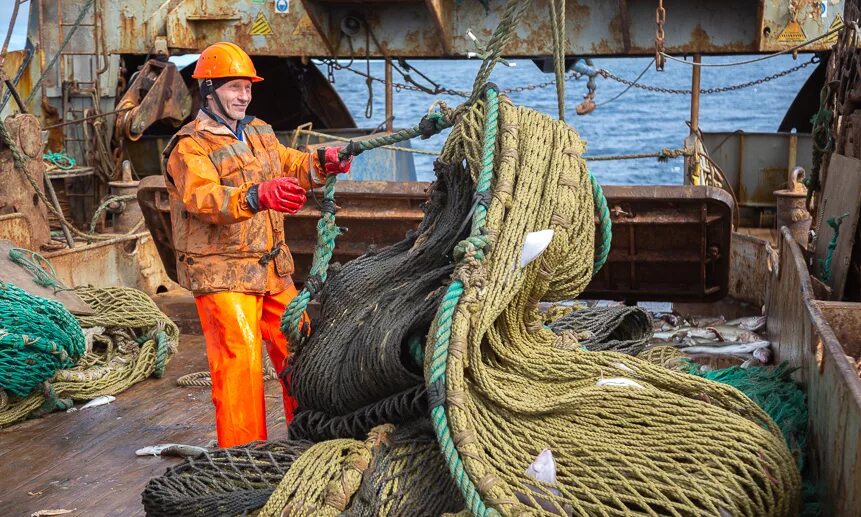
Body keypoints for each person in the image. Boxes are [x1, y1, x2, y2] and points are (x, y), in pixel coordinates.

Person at [161, 41, 352, 447]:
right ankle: (244, 458)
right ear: (209, 90)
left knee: (301, 348)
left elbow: (291, 163)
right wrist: (255, 196)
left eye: (248, 88)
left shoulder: (260, 131)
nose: (243, 96)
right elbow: (202, 197)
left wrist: (321, 162)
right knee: (240, 361)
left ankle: (308, 438)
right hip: (222, 275)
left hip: (270, 270)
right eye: (234, 87)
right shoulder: (188, 146)